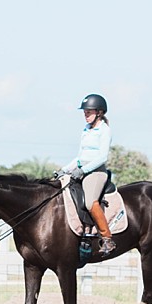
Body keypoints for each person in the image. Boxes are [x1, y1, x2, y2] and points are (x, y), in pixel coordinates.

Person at [58, 93, 115, 255]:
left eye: (88, 112)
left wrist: (83, 170)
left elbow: (102, 157)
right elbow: (80, 157)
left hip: (96, 173)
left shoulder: (104, 130)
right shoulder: (86, 130)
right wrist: (64, 170)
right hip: (80, 171)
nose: (86, 115)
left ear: (99, 112)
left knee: (90, 202)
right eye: (85, 112)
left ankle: (107, 239)